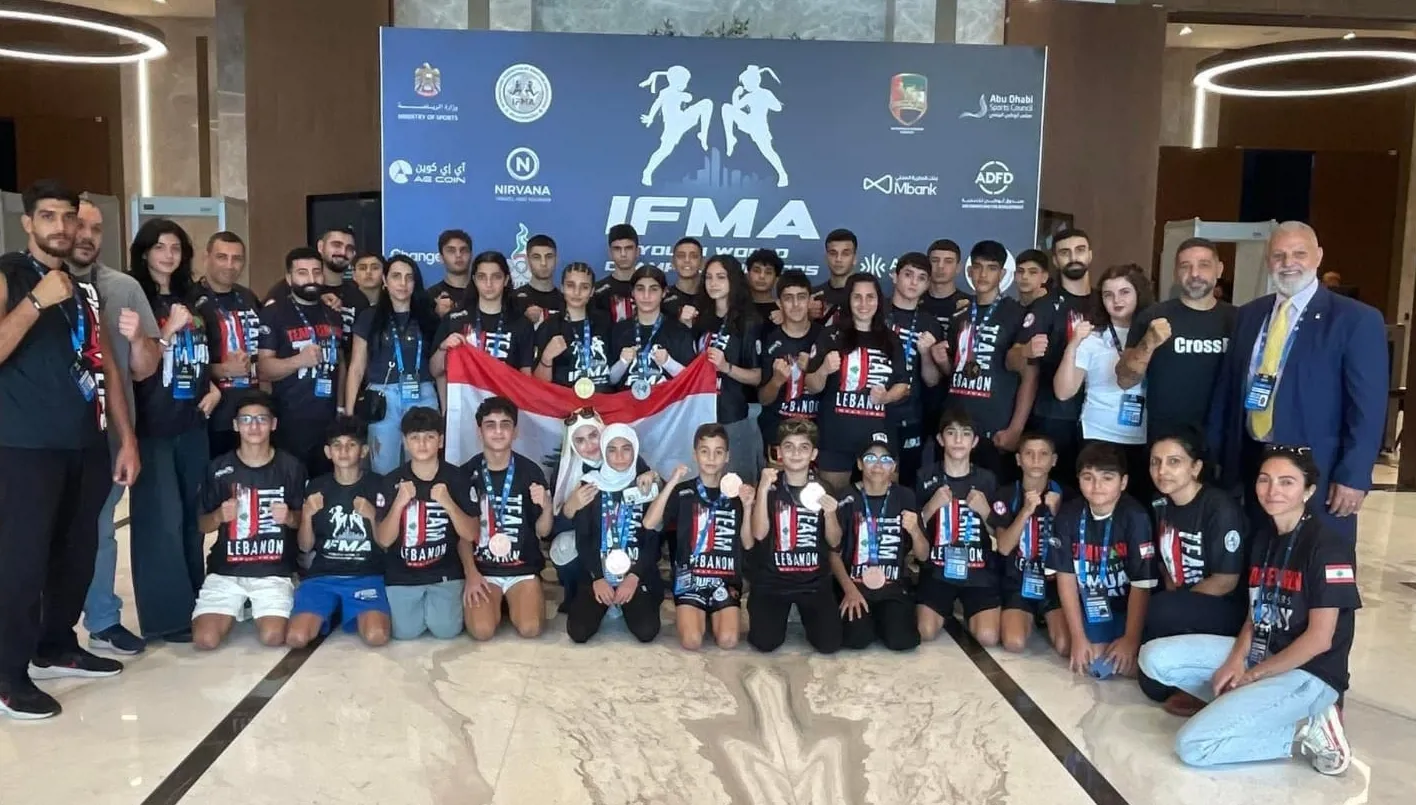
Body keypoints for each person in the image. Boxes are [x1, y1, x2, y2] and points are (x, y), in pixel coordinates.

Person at [0, 180, 140, 720]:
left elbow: (108, 367)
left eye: (69, 217)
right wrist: (36, 302)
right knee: (22, 562)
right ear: (28, 223)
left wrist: (125, 438)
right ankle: (8, 676)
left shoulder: (84, 290)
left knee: (76, 553)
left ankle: (55, 644)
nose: (61, 227)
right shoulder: (10, 276)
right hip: (24, 445)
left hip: (86, 442)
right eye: (48, 216)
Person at [1139, 447, 1359, 776]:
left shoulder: (1328, 546)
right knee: (1153, 657)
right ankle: (1250, 712)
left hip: (1308, 672)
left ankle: (1305, 728)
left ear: (1308, 490)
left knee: (1193, 746)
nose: (1273, 491)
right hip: (1264, 651)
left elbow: (1320, 639)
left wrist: (1254, 675)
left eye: (1287, 482)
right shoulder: (1264, 538)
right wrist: (1236, 659)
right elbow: (1256, 613)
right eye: (1265, 480)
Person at [1207, 222, 1386, 544]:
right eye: (1279, 255)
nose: (1288, 263)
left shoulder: (1355, 319)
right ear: (1268, 261)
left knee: (1314, 559)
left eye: (1299, 254)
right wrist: (1217, 458)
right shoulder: (1248, 315)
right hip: (1253, 464)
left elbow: (1367, 409)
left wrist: (1354, 475)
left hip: (1317, 470)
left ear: (1318, 256)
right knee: (1257, 556)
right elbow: (1228, 391)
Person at [70, 197, 159, 654]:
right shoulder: (32, 285)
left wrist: (138, 337)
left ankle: (103, 619)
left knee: (101, 529)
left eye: (96, 228)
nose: (87, 236)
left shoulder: (123, 288)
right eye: (79, 225)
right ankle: (45, 631)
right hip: (45, 438)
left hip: (109, 433)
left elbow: (145, 368)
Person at [127, 218, 220, 645]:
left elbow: (203, 356)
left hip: (192, 423)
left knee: (190, 520)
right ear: (145, 252)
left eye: (176, 248)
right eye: (160, 247)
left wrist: (213, 389)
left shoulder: (193, 301)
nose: (168, 255)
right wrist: (167, 329)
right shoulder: (135, 298)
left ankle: (194, 602)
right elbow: (137, 367)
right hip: (154, 426)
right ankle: (166, 618)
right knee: (159, 522)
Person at [1140, 430, 1248, 716]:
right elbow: (1163, 562)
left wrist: (1179, 605)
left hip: (1224, 607)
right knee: (1152, 687)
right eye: (1155, 462)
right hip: (1180, 603)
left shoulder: (1218, 507)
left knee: (1161, 609)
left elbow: (1226, 581)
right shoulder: (1160, 502)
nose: (1162, 471)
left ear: (1195, 467)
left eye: (1174, 462)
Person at [192, 391, 306, 650]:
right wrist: (219, 516)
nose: (254, 426)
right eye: (246, 419)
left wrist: (289, 517)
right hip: (227, 571)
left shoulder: (291, 467)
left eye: (261, 419)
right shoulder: (219, 468)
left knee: (273, 637)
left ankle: (260, 603)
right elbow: (201, 524)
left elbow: (302, 521)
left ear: (273, 424)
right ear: (235, 425)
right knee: (205, 640)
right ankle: (239, 604)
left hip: (272, 571)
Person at [1048, 442, 1158, 679]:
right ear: (1078, 480)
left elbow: (1142, 584)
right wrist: (1078, 637)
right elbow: (1065, 577)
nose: (1097, 486)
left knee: (1127, 665)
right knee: (1081, 654)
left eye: (1107, 478)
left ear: (1123, 482)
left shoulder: (1136, 517)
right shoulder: (1068, 515)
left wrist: (1130, 639)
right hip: (1091, 604)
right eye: (1088, 477)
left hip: (1125, 605)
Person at [375, 407, 480, 641]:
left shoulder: (457, 478)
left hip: (445, 573)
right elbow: (383, 540)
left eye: (429, 437)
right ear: (405, 442)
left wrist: (448, 503)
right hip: (402, 576)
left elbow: (471, 533)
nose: (422, 444)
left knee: (446, 631)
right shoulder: (391, 481)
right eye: (415, 438)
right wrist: (399, 503)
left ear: (440, 441)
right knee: (405, 633)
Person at [1116, 237, 1235, 443]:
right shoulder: (1152, 316)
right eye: (1185, 266)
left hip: (1223, 438)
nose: (1194, 273)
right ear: (1175, 273)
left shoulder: (1238, 319)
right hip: (1166, 441)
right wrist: (1148, 343)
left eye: (1204, 265)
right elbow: (1125, 380)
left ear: (1219, 269)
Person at [646, 424, 753, 650]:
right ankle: (700, 612)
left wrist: (748, 507)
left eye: (718, 452)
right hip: (690, 578)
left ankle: (713, 612)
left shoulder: (737, 494)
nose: (711, 458)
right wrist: (672, 482)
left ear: (727, 456)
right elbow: (649, 523)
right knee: (691, 641)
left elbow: (748, 542)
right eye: (705, 451)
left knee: (728, 641)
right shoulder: (683, 491)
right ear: (695, 454)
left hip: (725, 579)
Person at [287, 416, 391, 648]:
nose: (343, 451)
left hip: (367, 575)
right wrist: (306, 515)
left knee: (376, 636)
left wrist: (373, 516)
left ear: (363, 451)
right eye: (337, 445)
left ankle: (342, 608)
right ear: (328, 452)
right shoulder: (316, 486)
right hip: (323, 576)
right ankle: (332, 607)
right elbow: (305, 546)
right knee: (296, 638)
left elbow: (386, 544)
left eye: (351, 445)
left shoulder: (380, 485)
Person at [1054, 264, 1153, 500]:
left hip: (1144, 437)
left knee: (1136, 506)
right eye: (1108, 294)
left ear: (1139, 293)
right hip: (1098, 434)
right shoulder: (1093, 337)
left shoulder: (1153, 334)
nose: (1116, 300)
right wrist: (1074, 343)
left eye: (1124, 292)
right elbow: (1063, 392)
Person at [804, 274, 910, 494]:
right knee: (832, 502)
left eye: (870, 297)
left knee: (884, 503)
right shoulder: (830, 335)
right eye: (857, 297)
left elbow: (903, 385)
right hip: (836, 436)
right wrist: (823, 369)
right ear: (848, 300)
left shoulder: (891, 340)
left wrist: (886, 397)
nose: (864, 304)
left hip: (880, 437)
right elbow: (811, 386)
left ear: (879, 301)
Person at [747, 420, 844, 653]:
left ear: (814, 454)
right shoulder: (769, 487)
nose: (796, 453)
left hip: (813, 582)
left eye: (804, 447)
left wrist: (830, 514)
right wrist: (762, 490)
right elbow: (759, 533)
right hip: (773, 581)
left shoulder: (824, 488)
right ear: (779, 452)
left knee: (830, 645)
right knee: (765, 643)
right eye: (789, 447)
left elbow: (834, 541)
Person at [461, 397, 553, 640]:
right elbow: (461, 534)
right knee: (482, 632)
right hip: (483, 570)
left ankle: (517, 599)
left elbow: (543, 531)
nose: (498, 431)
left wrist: (546, 506)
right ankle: (499, 603)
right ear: (479, 432)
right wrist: (471, 574)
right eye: (490, 425)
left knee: (530, 629)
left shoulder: (531, 471)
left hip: (522, 568)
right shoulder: (466, 474)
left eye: (505, 424)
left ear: (515, 431)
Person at [947, 240, 1038, 483]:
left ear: (1003, 274)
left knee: (992, 497)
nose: (983, 274)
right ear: (969, 272)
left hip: (996, 430)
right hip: (956, 427)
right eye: (977, 267)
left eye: (991, 268)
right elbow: (952, 369)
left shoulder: (1017, 314)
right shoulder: (959, 315)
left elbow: (1029, 377)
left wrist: (1015, 430)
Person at [565, 424, 663, 644]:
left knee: (647, 631)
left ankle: (629, 600)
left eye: (626, 449)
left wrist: (634, 577)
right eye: (612, 450)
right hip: (599, 574)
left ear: (635, 450)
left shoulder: (644, 484)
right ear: (603, 451)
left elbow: (653, 539)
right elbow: (583, 538)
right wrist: (598, 578)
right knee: (578, 632)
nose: (619, 456)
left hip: (634, 575)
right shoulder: (590, 485)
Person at [830, 436, 929, 651]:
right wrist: (849, 590)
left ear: (893, 466)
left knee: (903, 641)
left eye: (885, 459)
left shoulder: (905, 496)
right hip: (855, 584)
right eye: (870, 458)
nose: (877, 465)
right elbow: (832, 552)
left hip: (892, 586)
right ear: (859, 464)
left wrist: (914, 530)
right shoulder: (846, 497)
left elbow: (923, 555)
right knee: (857, 639)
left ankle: (883, 619)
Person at [914, 409, 1002, 645]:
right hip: (938, 568)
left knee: (988, 637)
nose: (958, 440)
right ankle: (944, 604)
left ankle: (966, 605)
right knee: (925, 632)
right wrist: (931, 506)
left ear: (975, 442)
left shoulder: (987, 479)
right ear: (941, 439)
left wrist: (986, 512)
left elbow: (1000, 535)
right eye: (951, 433)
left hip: (978, 570)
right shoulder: (925, 476)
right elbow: (913, 528)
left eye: (965, 434)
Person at [346, 255, 440, 474]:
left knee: (423, 465)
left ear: (415, 283)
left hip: (422, 393)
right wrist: (349, 412)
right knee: (382, 467)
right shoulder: (369, 317)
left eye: (409, 277)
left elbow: (440, 368)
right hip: (382, 398)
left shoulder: (429, 318)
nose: (403, 283)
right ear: (385, 281)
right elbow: (357, 367)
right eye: (396, 276)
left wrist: (446, 408)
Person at [1015, 227, 1093, 488]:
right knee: (1056, 490)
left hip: (1098, 416)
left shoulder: (1105, 301)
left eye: (1080, 250)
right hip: (1054, 416)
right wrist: (1024, 351)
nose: (1073, 257)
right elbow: (1014, 358)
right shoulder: (1045, 305)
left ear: (1090, 255)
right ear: (1056, 261)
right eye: (1065, 252)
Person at [257, 247, 342, 477]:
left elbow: (341, 362)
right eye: (302, 273)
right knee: (293, 487)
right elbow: (263, 368)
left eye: (316, 272)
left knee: (325, 487)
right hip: (291, 420)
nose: (311, 279)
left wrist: (342, 408)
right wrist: (298, 361)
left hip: (329, 420)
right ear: (289, 278)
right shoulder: (274, 312)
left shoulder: (333, 311)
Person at [684, 254, 764, 483]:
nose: (713, 283)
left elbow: (757, 377)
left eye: (721, 277)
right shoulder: (700, 319)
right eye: (709, 277)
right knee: (700, 482)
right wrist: (686, 328)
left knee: (735, 485)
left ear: (733, 281)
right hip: (699, 414)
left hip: (732, 416)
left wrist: (726, 367)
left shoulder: (748, 321)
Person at [992, 433, 1069, 654]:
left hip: (1054, 583)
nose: (1036, 460)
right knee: (1014, 643)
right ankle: (1028, 617)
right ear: (1018, 459)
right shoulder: (1006, 494)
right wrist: (1025, 511)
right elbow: (1004, 547)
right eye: (1029, 454)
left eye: (1043, 454)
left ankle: (1044, 616)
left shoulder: (1067, 496)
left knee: (1065, 646)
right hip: (1018, 580)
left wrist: (1058, 513)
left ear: (1053, 460)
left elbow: (1073, 549)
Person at [192, 231, 262, 459]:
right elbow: (178, 363)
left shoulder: (248, 297)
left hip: (251, 410)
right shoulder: (191, 299)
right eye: (222, 257)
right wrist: (223, 370)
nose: (230, 265)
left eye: (237, 258)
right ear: (206, 258)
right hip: (213, 414)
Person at [886, 252, 949, 488]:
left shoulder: (929, 323)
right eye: (908, 275)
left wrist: (926, 355)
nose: (914, 282)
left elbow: (932, 381)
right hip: (872, 411)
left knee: (906, 483)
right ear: (894, 276)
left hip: (910, 415)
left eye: (921, 278)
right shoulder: (875, 312)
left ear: (927, 284)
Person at [431, 250, 536, 382]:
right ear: (474, 280)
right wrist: (443, 347)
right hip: (466, 392)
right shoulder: (454, 319)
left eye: (496, 277)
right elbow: (435, 371)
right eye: (482, 277)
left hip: (504, 394)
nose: (489, 284)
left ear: (506, 280)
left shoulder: (522, 324)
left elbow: (526, 377)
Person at [757, 270, 822, 463]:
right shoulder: (769, 340)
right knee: (776, 483)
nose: (795, 304)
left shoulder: (825, 337)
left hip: (817, 434)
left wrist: (814, 369)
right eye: (788, 298)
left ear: (810, 301)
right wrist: (776, 381)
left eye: (801, 297)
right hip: (777, 434)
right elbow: (763, 399)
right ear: (779, 303)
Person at [609, 265, 696, 396]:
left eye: (653, 289)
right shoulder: (619, 330)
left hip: (666, 406)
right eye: (640, 289)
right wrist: (622, 363)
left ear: (664, 292)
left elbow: (692, 381)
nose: (646, 296)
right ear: (632, 292)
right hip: (628, 406)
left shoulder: (679, 331)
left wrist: (669, 363)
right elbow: (610, 380)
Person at [533, 262, 614, 394]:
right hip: (564, 403)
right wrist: (546, 358)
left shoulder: (605, 322)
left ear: (592, 291)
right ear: (562, 288)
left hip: (602, 402)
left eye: (584, 287)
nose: (577, 292)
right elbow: (538, 386)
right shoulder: (549, 327)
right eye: (571, 285)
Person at [509, 233, 564, 327]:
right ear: (527, 261)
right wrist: (524, 320)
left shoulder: (565, 300)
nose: (543, 263)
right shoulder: (513, 300)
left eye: (549, 256)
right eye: (536, 257)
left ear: (556, 259)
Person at [809, 228, 857, 327]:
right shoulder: (813, 297)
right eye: (833, 253)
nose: (838, 259)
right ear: (826, 258)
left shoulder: (867, 296)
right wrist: (805, 316)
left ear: (855, 258)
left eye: (845, 253)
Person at [595, 224, 640, 323]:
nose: (623, 254)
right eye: (617, 249)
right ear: (610, 253)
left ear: (637, 251)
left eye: (628, 248)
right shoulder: (597, 292)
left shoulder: (651, 288)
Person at [428, 229, 473, 316]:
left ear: (471, 255)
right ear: (441, 258)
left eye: (463, 250)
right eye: (451, 251)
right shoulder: (430, 296)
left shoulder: (483, 291)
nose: (458, 255)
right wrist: (438, 316)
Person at [662, 237, 704, 318]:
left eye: (694, 256)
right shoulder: (663, 298)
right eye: (681, 256)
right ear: (673, 262)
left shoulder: (711, 298)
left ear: (702, 262)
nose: (687, 260)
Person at [745, 248, 783, 325]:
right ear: (748, 275)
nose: (762, 276)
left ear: (776, 279)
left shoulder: (783, 310)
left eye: (768, 272)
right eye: (756, 271)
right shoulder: (735, 307)